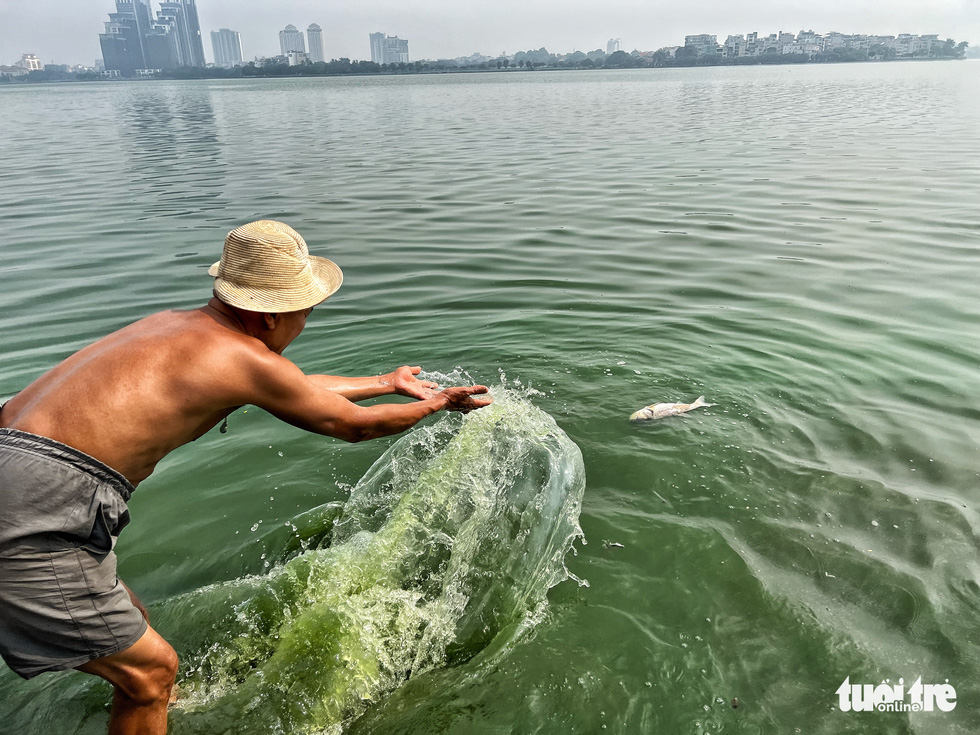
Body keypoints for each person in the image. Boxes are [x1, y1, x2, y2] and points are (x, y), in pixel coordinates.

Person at [0, 219, 491, 734]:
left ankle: (154, 707)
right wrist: (438, 404)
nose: (304, 323)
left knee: (130, 619)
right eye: (304, 312)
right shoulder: (238, 356)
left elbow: (290, 387)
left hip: (17, 462)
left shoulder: (174, 326)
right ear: (270, 315)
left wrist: (385, 383)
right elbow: (351, 428)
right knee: (151, 671)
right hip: (43, 499)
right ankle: (149, 696)